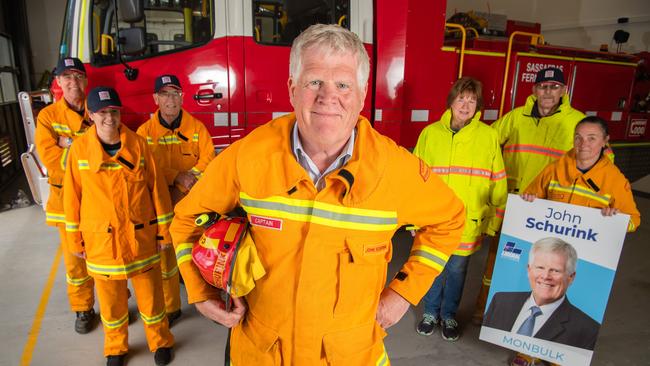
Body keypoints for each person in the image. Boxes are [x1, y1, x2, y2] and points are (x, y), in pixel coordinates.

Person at [170, 24, 466, 365]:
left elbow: (450, 219)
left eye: (342, 84)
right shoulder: (248, 156)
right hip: (260, 353)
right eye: (314, 82)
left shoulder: (395, 169)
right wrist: (200, 291)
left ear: (362, 93)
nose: (328, 97)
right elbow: (187, 219)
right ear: (292, 88)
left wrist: (402, 294)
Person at [63, 87, 175, 366]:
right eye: (102, 113)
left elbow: (157, 191)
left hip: (142, 240)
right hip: (102, 244)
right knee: (111, 305)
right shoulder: (79, 151)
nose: (109, 119)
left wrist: (164, 233)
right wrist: (74, 241)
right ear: (90, 115)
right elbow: (71, 199)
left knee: (152, 300)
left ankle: (160, 342)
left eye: (113, 111)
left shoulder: (139, 145)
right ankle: (116, 348)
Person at [473, 67, 589, 325]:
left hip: (551, 212)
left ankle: (537, 323)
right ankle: (485, 313)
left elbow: (602, 161)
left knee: (544, 269)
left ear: (563, 91)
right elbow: (486, 143)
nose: (548, 92)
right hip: (514, 206)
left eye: (554, 87)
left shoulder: (576, 123)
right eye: (543, 86)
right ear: (534, 90)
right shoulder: (514, 118)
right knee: (499, 263)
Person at [413, 77, 507, 341]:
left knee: (456, 271)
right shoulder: (430, 134)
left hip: (469, 221)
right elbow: (414, 180)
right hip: (433, 221)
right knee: (433, 269)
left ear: (478, 105)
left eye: (472, 99)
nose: (466, 104)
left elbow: (498, 182)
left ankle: (449, 315)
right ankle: (430, 313)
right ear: (451, 101)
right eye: (461, 98)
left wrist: (494, 222)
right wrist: (413, 220)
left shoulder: (488, 136)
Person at [136, 74, 215, 326]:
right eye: (165, 94)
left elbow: (209, 160)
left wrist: (191, 178)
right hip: (161, 204)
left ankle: (210, 300)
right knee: (166, 258)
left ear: (182, 97)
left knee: (201, 250)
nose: (171, 99)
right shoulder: (144, 133)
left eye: (175, 94)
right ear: (155, 99)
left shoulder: (197, 128)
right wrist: (176, 176)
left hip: (192, 203)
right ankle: (172, 308)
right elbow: (145, 169)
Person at [34, 57, 96, 334]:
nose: (73, 82)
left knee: (104, 256)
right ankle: (83, 309)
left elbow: (110, 149)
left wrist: (68, 145)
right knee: (75, 261)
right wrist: (87, 160)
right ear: (58, 82)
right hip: (66, 204)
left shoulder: (98, 109)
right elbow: (51, 162)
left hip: (98, 201)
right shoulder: (48, 117)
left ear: (85, 80)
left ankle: (113, 304)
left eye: (78, 76)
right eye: (67, 77)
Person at [523, 116, 640, 232]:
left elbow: (633, 221)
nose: (583, 144)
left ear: (605, 141)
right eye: (578, 138)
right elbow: (529, 197)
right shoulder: (554, 169)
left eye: (592, 138)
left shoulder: (616, 180)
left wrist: (616, 219)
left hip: (586, 248)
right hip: (551, 244)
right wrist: (529, 201)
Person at [483, 237, 600, 350]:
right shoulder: (500, 300)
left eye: (555, 270)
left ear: (571, 277)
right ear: (529, 270)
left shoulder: (588, 330)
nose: (545, 276)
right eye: (540, 267)